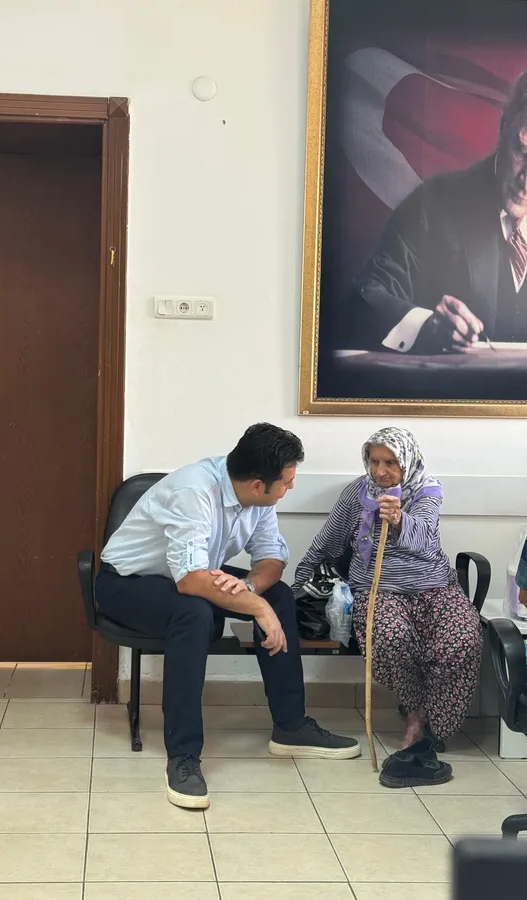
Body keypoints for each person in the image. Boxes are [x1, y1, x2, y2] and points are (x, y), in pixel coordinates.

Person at [97, 423, 360, 810]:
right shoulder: (193, 491)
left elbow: (272, 560)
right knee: (193, 611)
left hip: (188, 577)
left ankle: (290, 726)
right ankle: (183, 756)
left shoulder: (259, 498)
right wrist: (256, 607)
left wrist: (251, 589)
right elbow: (190, 580)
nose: (291, 487)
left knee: (278, 594)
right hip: (126, 583)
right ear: (257, 484)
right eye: (286, 482)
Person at [293, 427, 483, 788]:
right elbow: (328, 540)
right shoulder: (357, 493)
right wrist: (297, 584)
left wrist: (399, 520)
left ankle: (431, 720)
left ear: (407, 462)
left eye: (390, 462)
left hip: (434, 587)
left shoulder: (427, 490)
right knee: (390, 636)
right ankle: (416, 713)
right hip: (378, 588)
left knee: (461, 638)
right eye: (374, 461)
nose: (381, 471)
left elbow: (425, 537)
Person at [355, 71, 527, 353]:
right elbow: (367, 295)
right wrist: (424, 325)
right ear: (504, 125)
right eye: (522, 152)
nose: (525, 181)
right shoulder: (433, 203)